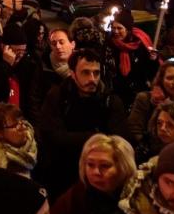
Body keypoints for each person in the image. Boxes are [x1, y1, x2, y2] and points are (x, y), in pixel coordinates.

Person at [36, 48, 128, 196]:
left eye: (96, 73)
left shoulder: (110, 101)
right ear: (73, 74)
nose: (92, 79)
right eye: (85, 72)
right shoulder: (58, 97)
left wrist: (72, 138)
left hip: (98, 175)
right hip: (61, 173)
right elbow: (52, 137)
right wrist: (96, 135)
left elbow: (119, 141)